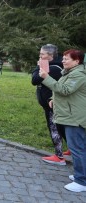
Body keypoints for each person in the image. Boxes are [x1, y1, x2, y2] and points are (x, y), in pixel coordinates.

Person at [39, 49, 86, 192]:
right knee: (78, 147)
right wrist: (53, 99)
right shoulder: (70, 73)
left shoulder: (78, 74)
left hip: (74, 117)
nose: (63, 61)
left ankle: (81, 181)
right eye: (63, 58)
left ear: (77, 61)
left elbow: (65, 90)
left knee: (77, 149)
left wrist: (46, 77)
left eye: (66, 59)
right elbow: (64, 91)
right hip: (69, 115)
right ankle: (81, 175)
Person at [31, 44, 67, 165]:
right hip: (51, 103)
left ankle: (59, 156)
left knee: (55, 128)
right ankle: (71, 150)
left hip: (52, 105)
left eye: (42, 54)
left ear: (50, 55)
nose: (40, 56)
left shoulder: (54, 69)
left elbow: (35, 80)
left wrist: (38, 67)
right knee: (62, 128)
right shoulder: (54, 66)